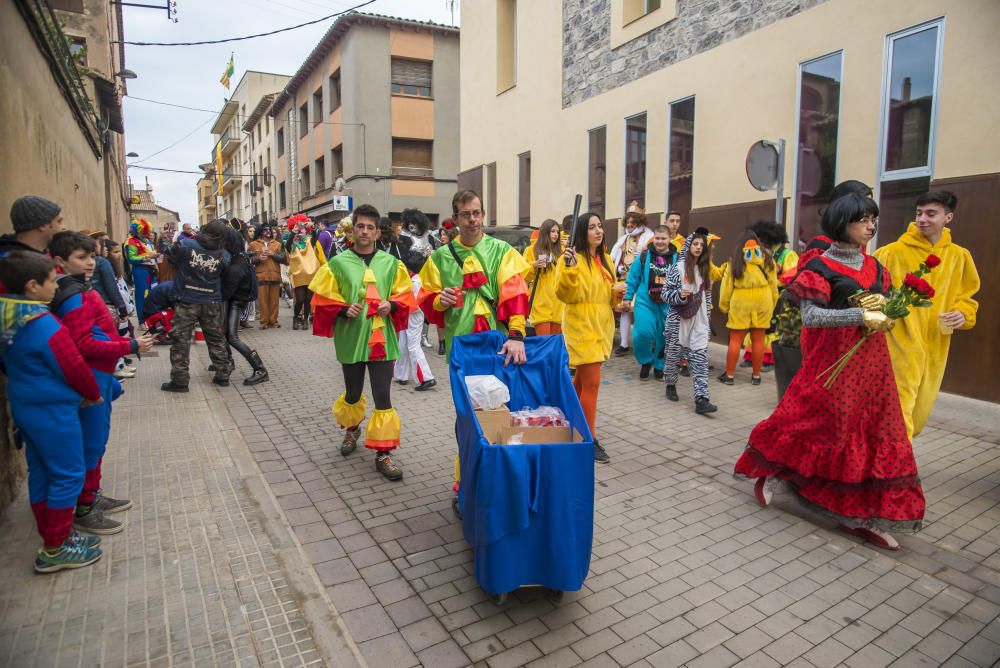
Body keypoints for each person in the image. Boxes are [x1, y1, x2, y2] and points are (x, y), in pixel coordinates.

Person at [735, 194, 924, 551]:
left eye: (873, 219)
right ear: (842, 222)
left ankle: (860, 511)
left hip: (873, 366)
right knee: (813, 421)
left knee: (872, 432)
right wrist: (859, 316)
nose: (870, 226)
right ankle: (772, 470)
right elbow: (812, 316)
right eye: (863, 219)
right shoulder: (819, 267)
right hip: (830, 363)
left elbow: (889, 303)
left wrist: (890, 311)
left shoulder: (877, 268)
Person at [0, 251, 106, 572]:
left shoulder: (8, 316)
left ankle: (53, 533)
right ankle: (54, 548)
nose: (55, 286)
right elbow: (72, 366)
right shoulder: (43, 324)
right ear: (32, 286)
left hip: (24, 404)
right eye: (51, 280)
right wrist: (92, 393)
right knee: (68, 473)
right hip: (53, 410)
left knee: (42, 471)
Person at [49, 232, 153, 535]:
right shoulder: (73, 296)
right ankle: (84, 507)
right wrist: (128, 347)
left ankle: (90, 497)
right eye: (82, 258)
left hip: (100, 375)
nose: (91, 263)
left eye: (92, 257)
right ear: (59, 261)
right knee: (91, 444)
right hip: (91, 377)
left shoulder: (78, 289)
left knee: (95, 443)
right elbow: (83, 344)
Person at [309, 204, 415, 480]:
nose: (365, 231)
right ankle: (352, 429)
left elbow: (405, 297)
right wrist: (344, 309)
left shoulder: (392, 264)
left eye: (370, 227)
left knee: (383, 396)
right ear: (352, 229)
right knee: (353, 393)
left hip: (383, 342)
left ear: (377, 232)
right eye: (360, 226)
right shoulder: (337, 264)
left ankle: (383, 453)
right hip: (351, 339)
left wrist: (390, 304)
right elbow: (322, 300)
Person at [873, 191, 980, 441]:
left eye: (931, 213)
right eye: (919, 213)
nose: (922, 219)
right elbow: (871, 290)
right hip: (897, 342)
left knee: (919, 413)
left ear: (948, 217)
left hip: (936, 346)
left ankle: (892, 460)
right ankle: (897, 470)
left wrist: (963, 313)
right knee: (899, 411)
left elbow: (967, 296)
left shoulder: (959, 257)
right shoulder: (892, 253)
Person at [417, 190, 529, 362]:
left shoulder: (502, 251)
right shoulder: (440, 257)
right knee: (463, 389)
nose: (472, 219)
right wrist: (441, 300)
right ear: (455, 218)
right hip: (459, 342)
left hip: (499, 342)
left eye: (476, 213)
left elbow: (515, 297)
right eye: (465, 214)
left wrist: (516, 335)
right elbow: (427, 297)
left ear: (483, 215)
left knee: (498, 389)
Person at [558, 212, 621, 464]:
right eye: (592, 227)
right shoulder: (572, 259)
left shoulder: (605, 260)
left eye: (600, 226)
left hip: (601, 327)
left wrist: (618, 295)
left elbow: (608, 295)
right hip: (581, 327)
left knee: (582, 381)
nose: (598, 231)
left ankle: (565, 417)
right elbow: (565, 293)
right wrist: (570, 269)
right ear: (582, 233)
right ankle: (588, 439)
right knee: (592, 382)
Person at [160, 220, 232, 392]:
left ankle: (180, 380)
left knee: (181, 339)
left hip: (187, 299)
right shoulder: (225, 254)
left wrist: (163, 239)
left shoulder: (185, 245)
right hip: (212, 301)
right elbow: (225, 274)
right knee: (215, 337)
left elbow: (168, 252)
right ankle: (222, 375)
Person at [663, 231, 717, 414]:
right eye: (695, 244)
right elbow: (665, 294)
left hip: (699, 321)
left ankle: (702, 399)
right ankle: (670, 384)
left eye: (702, 246)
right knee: (673, 356)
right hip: (679, 321)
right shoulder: (676, 268)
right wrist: (678, 295)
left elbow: (707, 297)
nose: (698, 248)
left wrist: (708, 320)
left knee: (700, 359)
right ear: (688, 246)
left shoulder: (705, 270)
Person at [718, 230, 779, 385]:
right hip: (763, 299)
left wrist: (724, 306)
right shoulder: (768, 260)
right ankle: (756, 376)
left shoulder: (735, 261)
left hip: (741, 301)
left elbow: (726, 288)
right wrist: (772, 304)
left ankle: (730, 375)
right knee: (758, 340)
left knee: (735, 340)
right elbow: (773, 286)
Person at [623, 225, 677, 379]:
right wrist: (627, 298)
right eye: (657, 238)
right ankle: (646, 360)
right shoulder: (644, 256)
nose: (660, 242)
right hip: (645, 301)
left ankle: (659, 365)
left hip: (667, 304)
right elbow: (633, 278)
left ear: (669, 239)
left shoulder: (677, 258)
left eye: (663, 238)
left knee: (663, 336)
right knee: (642, 333)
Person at [221, 227, 269, 385]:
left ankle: (260, 369)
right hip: (238, 300)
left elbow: (227, 291)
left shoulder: (236, 264)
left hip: (237, 301)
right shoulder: (240, 257)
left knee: (232, 338)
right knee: (228, 336)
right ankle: (226, 363)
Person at [609, 206, 652, 356]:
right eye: (627, 222)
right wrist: (619, 268)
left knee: (642, 312)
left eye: (633, 222)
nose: (629, 225)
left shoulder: (649, 237)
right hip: (624, 281)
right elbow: (615, 257)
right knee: (624, 311)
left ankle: (646, 344)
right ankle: (624, 344)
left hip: (641, 281)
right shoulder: (623, 239)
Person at [522, 218, 565, 336]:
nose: (556, 234)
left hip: (559, 305)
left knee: (555, 346)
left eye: (557, 231)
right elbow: (523, 275)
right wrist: (534, 266)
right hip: (541, 306)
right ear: (545, 232)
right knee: (543, 344)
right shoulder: (531, 250)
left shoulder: (561, 251)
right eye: (552, 231)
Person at [0, 195, 64, 262]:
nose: (63, 227)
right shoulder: (9, 263)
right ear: (42, 225)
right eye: (59, 221)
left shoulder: (48, 254)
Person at [285, 214, 321, 330]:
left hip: (311, 274)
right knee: (300, 300)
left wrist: (313, 227)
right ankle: (296, 317)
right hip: (298, 275)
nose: (301, 229)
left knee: (308, 300)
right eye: (298, 227)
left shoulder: (310, 240)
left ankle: (305, 320)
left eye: (303, 227)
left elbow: (316, 239)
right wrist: (294, 231)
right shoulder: (292, 243)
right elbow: (287, 245)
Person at [248, 224, 285, 329]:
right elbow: (248, 260)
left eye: (269, 230)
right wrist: (258, 258)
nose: (268, 231)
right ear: (260, 231)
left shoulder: (278, 244)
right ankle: (264, 322)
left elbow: (284, 259)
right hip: (261, 276)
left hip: (274, 275)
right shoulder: (253, 244)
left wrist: (273, 254)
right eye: (265, 230)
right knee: (263, 302)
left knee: (274, 302)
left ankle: (273, 322)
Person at [125, 219, 159, 320]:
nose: (145, 234)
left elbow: (152, 253)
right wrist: (147, 257)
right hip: (140, 271)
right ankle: (142, 320)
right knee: (142, 295)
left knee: (152, 293)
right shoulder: (130, 242)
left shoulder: (147, 241)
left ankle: (152, 317)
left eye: (146, 232)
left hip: (151, 270)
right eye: (143, 232)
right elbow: (131, 259)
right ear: (137, 231)